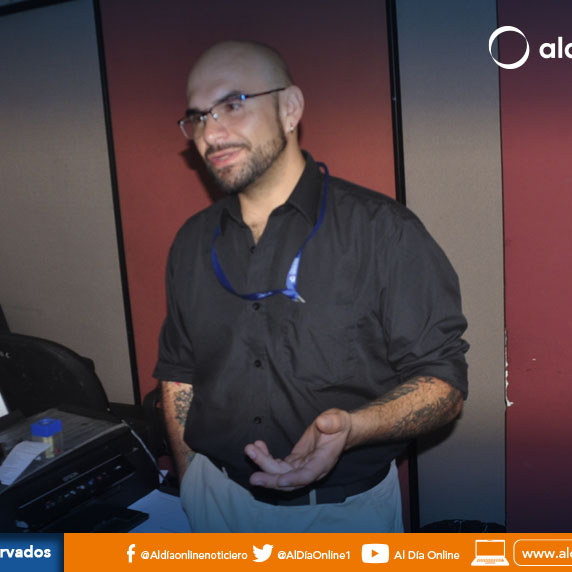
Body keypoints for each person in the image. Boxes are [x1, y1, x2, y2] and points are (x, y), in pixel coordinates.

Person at [153, 40, 468, 532]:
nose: (211, 133)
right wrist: (192, 476)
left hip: (341, 517)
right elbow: (179, 372)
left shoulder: (383, 232)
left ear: (290, 108)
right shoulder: (192, 242)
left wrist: (353, 428)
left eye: (233, 105)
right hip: (215, 503)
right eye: (197, 117)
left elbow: (443, 385)